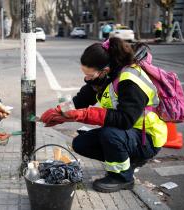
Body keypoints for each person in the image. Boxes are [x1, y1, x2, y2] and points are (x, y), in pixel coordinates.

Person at [40, 37, 167, 193]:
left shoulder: (130, 80)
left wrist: (84, 114)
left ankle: (123, 178)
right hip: (128, 134)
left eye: (90, 75)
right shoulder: (104, 78)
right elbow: (81, 100)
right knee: (81, 143)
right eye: (85, 74)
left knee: (110, 134)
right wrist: (59, 111)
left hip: (147, 137)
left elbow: (125, 120)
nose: (87, 79)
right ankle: (128, 160)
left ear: (104, 71)